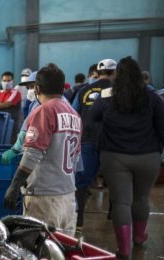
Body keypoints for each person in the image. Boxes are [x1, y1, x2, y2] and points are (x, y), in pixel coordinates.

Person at [86, 56, 164, 259]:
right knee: (141, 198)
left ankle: (123, 249)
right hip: (147, 158)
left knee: (121, 202)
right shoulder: (152, 97)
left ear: (117, 76)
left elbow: (90, 119)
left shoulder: (107, 96)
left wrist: (102, 131)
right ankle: (139, 238)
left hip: (114, 158)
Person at [3, 63, 82, 235]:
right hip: (68, 197)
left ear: (37, 88)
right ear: (62, 88)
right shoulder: (74, 114)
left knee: (42, 254)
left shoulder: (44, 111)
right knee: (62, 255)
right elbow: (75, 159)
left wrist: (14, 186)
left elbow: (32, 154)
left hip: (44, 198)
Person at [73, 59, 117, 232]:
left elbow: (74, 112)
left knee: (82, 181)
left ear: (97, 74)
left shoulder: (84, 90)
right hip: (110, 142)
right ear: (114, 73)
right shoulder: (118, 91)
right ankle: (112, 215)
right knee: (114, 179)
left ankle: (80, 220)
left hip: (87, 140)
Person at [0, 71, 22, 139]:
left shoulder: (16, 93)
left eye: (8, 80)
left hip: (12, 126)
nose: (6, 82)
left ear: (12, 81)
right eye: (4, 80)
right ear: (1, 81)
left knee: (11, 145)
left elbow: (8, 104)